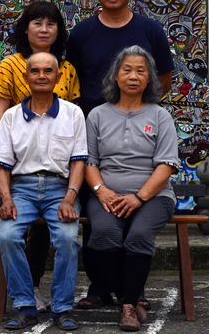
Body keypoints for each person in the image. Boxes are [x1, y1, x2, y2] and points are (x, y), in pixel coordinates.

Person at [66, 0, 174, 310]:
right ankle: (99, 288)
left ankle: (132, 291)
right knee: (99, 220)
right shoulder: (81, 33)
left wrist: (139, 107)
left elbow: (166, 79)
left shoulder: (150, 31)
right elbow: (72, 80)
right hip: (94, 130)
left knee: (136, 226)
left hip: (137, 125)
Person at [0, 0, 80, 312]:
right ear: (25, 29)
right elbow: (1, 119)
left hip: (58, 167)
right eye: (36, 23)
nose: (44, 29)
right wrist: (11, 158)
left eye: (50, 23)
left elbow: (71, 119)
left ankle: (54, 293)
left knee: (61, 230)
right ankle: (28, 294)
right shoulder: (10, 65)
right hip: (18, 161)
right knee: (14, 232)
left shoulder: (67, 70)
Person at [83, 46, 179, 331]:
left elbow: (166, 165)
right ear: (115, 76)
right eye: (127, 70)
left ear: (149, 78)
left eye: (141, 70)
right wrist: (101, 190)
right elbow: (89, 161)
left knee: (138, 236)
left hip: (154, 196)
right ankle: (132, 295)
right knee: (104, 235)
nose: (133, 76)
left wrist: (139, 197)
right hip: (107, 195)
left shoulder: (160, 116)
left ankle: (127, 306)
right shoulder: (97, 115)